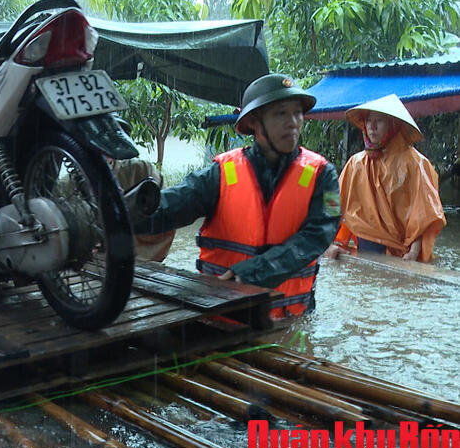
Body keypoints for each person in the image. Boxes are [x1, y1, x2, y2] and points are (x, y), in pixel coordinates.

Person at [135, 73, 341, 319]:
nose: (293, 122)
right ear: (254, 121)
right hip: (223, 316)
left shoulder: (322, 174)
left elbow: (319, 235)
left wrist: (252, 273)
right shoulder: (221, 173)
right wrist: (120, 216)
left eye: (297, 113)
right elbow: (171, 206)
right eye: (281, 114)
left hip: (290, 319)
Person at [323, 94, 445, 262]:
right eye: (368, 121)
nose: (371, 127)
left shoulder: (417, 164)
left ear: (393, 125)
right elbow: (332, 202)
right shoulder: (356, 163)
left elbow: (425, 215)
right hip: (364, 247)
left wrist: (413, 253)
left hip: (400, 253)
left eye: (379, 121)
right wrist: (329, 242)